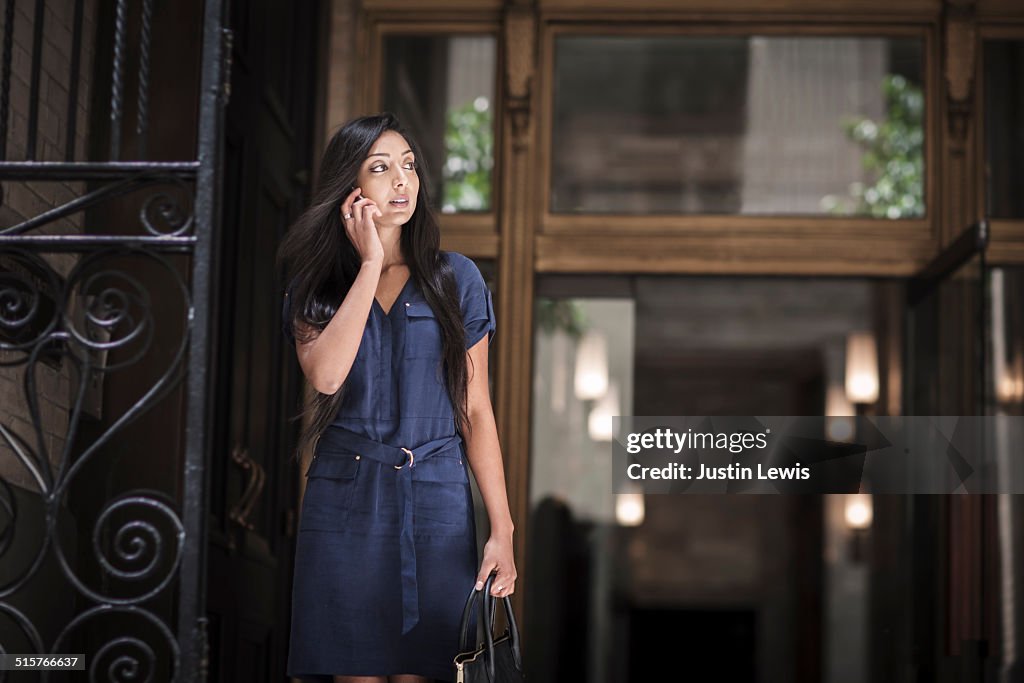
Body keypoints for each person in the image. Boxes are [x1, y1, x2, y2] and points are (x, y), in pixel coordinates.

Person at [276, 112, 517, 683]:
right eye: (381, 168)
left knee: (427, 670)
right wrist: (369, 266)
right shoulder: (315, 285)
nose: (402, 181)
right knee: (354, 671)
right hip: (346, 497)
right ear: (351, 187)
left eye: (408, 165)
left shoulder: (456, 279)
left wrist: (502, 530)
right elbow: (327, 377)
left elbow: (475, 411)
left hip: (437, 497)